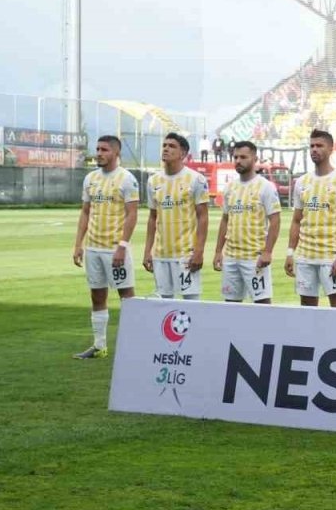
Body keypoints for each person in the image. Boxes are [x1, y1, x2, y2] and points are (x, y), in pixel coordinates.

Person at [71, 135, 139, 359]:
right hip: (93, 249)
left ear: (116, 153)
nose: (99, 153)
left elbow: (132, 215)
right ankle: (99, 346)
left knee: (127, 297)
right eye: (98, 149)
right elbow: (85, 212)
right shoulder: (90, 178)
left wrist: (122, 246)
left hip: (115, 249)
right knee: (97, 296)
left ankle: (134, 345)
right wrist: (78, 244)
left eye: (104, 150)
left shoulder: (127, 179)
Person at [285, 129, 336, 308]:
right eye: (311, 146)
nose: (314, 150)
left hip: (331, 257)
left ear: (331, 149)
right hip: (305, 257)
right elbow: (296, 220)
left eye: (319, 146)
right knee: (307, 307)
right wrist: (290, 253)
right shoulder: (302, 182)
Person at [212, 141, 281, 304]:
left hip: (254, 258)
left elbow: (275, 221)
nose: (238, 161)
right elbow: (225, 219)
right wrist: (218, 251)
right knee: (231, 304)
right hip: (231, 257)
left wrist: (267, 252)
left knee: (262, 303)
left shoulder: (265, 187)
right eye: (235, 157)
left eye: (243, 157)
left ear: (255, 159)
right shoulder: (230, 188)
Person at [143, 133, 209, 300]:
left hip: (186, 255)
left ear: (183, 153)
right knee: (164, 305)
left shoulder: (196, 179)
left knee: (191, 304)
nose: (166, 148)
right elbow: (152, 217)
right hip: (160, 254)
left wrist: (199, 251)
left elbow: (203, 217)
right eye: (164, 145)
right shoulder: (153, 181)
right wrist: (147, 251)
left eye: (172, 146)